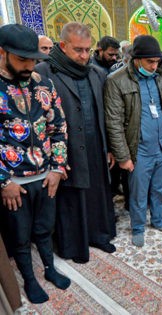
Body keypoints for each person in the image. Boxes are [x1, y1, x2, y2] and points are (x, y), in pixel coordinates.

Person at [0, 24, 70, 303]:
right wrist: (4, 182)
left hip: (45, 177)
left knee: (44, 229)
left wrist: (57, 168)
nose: (30, 65)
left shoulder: (44, 84)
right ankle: (29, 280)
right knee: (20, 237)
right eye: (22, 59)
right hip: (14, 184)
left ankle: (50, 270)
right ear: (2, 53)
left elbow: (59, 128)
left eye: (33, 59)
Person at [36, 22, 116, 263]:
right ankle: (73, 246)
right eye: (78, 50)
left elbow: (105, 113)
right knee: (71, 199)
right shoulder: (44, 72)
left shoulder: (96, 73)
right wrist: (53, 158)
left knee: (97, 193)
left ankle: (100, 235)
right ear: (63, 46)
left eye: (87, 50)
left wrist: (110, 147)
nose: (84, 56)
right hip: (65, 150)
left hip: (95, 145)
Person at [104, 35, 162, 247]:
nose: (155, 66)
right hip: (138, 150)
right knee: (138, 192)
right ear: (136, 59)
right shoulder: (116, 81)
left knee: (159, 188)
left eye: (157, 62)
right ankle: (137, 227)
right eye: (150, 62)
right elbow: (114, 123)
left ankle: (157, 219)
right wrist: (123, 156)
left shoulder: (159, 78)